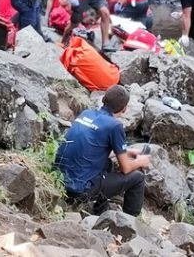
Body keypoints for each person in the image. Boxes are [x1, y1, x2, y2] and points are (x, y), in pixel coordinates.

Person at [56, 85, 151, 216]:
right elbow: (126, 168)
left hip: (59, 181)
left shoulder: (86, 113)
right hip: (80, 190)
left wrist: (126, 151)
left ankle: (99, 210)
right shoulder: (115, 125)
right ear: (124, 109)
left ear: (103, 99)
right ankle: (129, 221)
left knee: (108, 164)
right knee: (138, 178)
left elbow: (94, 148)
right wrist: (141, 161)